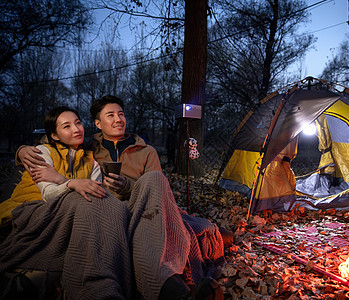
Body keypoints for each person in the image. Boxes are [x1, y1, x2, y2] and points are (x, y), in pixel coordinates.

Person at [16, 96, 230, 299]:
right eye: (110, 115)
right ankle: (167, 288)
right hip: (106, 210)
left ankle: (173, 287)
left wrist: (129, 186)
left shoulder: (147, 151)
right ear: (98, 124)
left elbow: (159, 193)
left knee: (154, 179)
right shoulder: (87, 148)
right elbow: (55, 141)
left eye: (121, 114)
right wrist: (22, 150)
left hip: (144, 209)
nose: (118, 119)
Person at [0, 107, 134, 299]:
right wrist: (72, 183)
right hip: (32, 208)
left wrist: (61, 179)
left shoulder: (90, 161)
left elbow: (95, 191)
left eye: (78, 123)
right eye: (67, 126)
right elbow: (49, 194)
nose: (76, 129)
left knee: (101, 203)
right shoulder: (42, 152)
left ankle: (107, 281)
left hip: (69, 211)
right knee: (82, 199)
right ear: (54, 135)